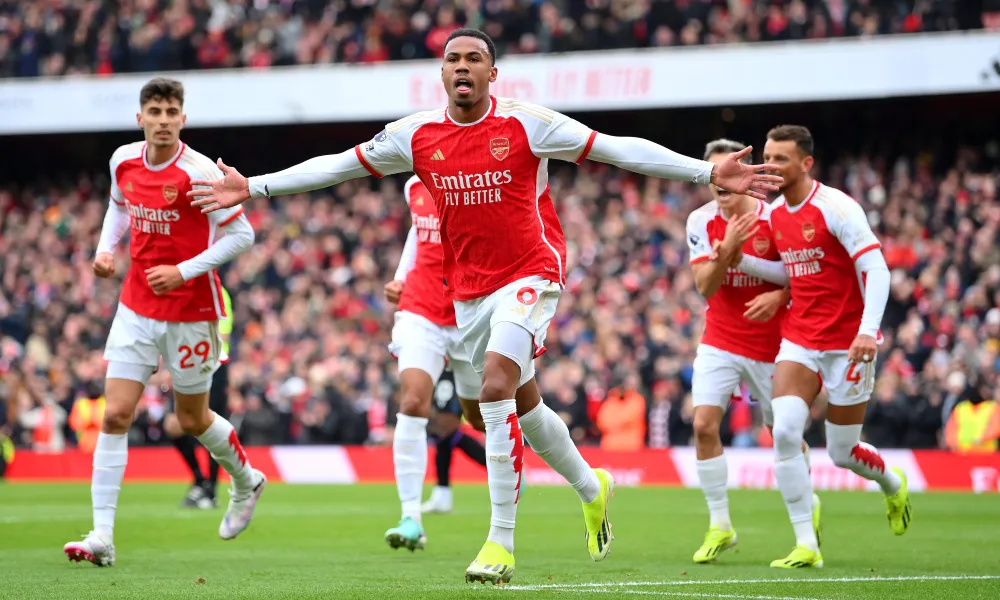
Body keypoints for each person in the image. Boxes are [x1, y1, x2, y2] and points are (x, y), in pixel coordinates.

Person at [187, 29, 782, 583]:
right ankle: (590, 484)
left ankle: (498, 543)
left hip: (531, 273)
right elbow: (338, 167)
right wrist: (256, 185)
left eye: (474, 59)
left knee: (497, 386)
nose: (463, 67)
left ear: (493, 73)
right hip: (465, 292)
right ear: (441, 75)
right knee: (506, 407)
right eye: (453, 59)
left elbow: (616, 151)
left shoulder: (526, 125)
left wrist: (707, 171)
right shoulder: (415, 136)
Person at [63, 78, 263, 568]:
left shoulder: (198, 172)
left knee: (191, 419)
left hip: (193, 311)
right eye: (154, 111)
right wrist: (105, 249)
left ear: (183, 118)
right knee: (115, 414)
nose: (163, 120)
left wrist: (184, 271)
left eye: (172, 111)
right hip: (135, 306)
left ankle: (245, 479)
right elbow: (117, 206)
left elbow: (243, 235)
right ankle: (102, 536)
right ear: (140, 118)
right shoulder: (123, 160)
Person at [735, 124, 912, 568]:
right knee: (787, 429)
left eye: (780, 159)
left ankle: (892, 483)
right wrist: (741, 259)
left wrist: (868, 331)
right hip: (800, 338)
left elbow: (878, 270)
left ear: (806, 163)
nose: (771, 166)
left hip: (849, 343)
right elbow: (793, 272)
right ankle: (806, 544)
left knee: (841, 452)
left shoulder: (837, 208)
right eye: (768, 157)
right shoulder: (774, 215)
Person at [687, 138, 820, 565]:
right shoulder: (699, 221)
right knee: (704, 425)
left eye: (724, 173)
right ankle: (720, 525)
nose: (718, 183)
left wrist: (780, 298)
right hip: (720, 339)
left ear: (743, 175)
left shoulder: (775, 218)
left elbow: (799, 276)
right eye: (712, 175)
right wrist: (727, 252)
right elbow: (705, 286)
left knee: (782, 434)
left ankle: (807, 501)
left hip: (772, 345)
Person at [382, 174, 487, 551]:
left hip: (469, 313)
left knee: (477, 417)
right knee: (412, 403)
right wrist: (400, 278)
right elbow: (418, 232)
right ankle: (411, 517)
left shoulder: (478, 182)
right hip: (421, 310)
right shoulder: (414, 185)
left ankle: (516, 471)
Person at [165, 285, 236, 509]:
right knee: (173, 425)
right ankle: (200, 480)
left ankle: (210, 491)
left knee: (209, 427)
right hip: (188, 367)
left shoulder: (217, 293)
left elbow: (222, 334)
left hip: (213, 367)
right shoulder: (183, 293)